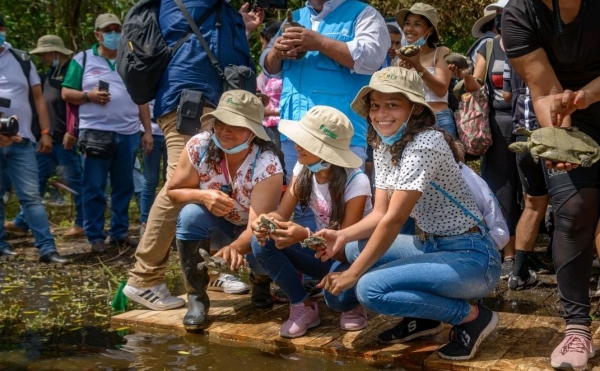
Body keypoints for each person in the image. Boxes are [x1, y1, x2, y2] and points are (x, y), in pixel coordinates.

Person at [317, 67, 501, 361]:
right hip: (429, 244)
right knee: (352, 248)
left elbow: (394, 220)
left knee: (369, 288)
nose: (381, 114)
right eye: (375, 105)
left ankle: (471, 316)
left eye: (393, 105)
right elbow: (379, 213)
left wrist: (352, 274)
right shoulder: (383, 142)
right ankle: (424, 318)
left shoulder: (426, 144)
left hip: (472, 257)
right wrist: (339, 235)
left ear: (414, 109)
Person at [124, 1, 264, 311]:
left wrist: (239, 25)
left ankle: (214, 270)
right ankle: (144, 279)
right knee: (179, 186)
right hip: (191, 100)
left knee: (209, 185)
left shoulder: (216, 10)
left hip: (203, 98)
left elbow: (205, 39)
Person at [503, 0, 600, 369]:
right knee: (574, 208)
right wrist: (561, 141)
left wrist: (586, 95)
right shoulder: (519, 13)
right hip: (565, 112)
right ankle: (577, 327)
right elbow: (543, 89)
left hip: (585, 97)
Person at [250, 105, 372, 338]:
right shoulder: (303, 168)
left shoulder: (356, 181)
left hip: (350, 257)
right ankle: (301, 305)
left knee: (338, 300)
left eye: (304, 142)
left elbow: (343, 245)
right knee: (263, 242)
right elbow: (283, 212)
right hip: (321, 252)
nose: (296, 146)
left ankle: (354, 301)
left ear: (325, 150)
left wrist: (304, 236)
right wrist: (266, 221)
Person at [167, 90, 283, 331]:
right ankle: (197, 298)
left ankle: (260, 282)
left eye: (236, 125)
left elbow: (258, 224)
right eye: (221, 122)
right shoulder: (199, 146)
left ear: (252, 131)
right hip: (216, 224)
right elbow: (174, 192)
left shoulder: (267, 163)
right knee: (189, 215)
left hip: (252, 229)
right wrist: (202, 195)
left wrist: (234, 248)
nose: (225, 130)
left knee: (262, 243)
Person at [62, 13, 153, 253]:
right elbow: (66, 93)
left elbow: (141, 97)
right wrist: (88, 96)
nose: (114, 34)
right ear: (98, 34)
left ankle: (119, 232)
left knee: (124, 186)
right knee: (95, 186)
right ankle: (94, 235)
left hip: (128, 132)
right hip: (96, 133)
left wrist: (147, 131)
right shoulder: (83, 59)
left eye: (117, 29)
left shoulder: (130, 58)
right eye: (108, 30)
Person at [450, 0, 520, 280]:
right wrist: (466, 75)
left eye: (508, 15)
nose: (503, 21)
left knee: (535, 191)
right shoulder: (488, 47)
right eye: (499, 17)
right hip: (498, 125)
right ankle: (509, 254)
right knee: (502, 189)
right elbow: (475, 86)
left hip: (531, 120)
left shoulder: (538, 43)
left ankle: (536, 251)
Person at [0, 13, 68, 263]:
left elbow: (39, 99)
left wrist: (46, 133)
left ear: (4, 29)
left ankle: (47, 249)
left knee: (31, 196)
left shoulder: (21, 59)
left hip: (23, 139)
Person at [4, 35, 85, 239]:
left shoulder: (71, 72)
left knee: (75, 181)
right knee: (35, 180)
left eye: (45, 55)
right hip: (47, 139)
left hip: (65, 139)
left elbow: (73, 105)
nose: (43, 59)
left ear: (54, 53)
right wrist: (43, 133)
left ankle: (82, 223)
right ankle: (23, 222)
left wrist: (72, 130)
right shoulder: (49, 73)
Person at [502, 58, 550, 290]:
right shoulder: (553, 44)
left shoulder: (513, 52)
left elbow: (507, 94)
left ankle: (518, 274)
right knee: (575, 206)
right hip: (551, 132)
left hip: (522, 132)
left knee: (533, 204)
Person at [395, 3, 457, 138]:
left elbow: (441, 90)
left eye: (417, 24)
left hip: (438, 119)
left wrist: (417, 66)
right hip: (410, 122)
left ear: (430, 30)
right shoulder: (399, 60)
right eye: (407, 23)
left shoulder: (441, 52)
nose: (410, 29)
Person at [139, 100, 167, 237]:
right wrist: (147, 132)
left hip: (172, 132)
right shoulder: (148, 80)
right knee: (150, 180)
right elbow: (142, 104)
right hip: (151, 133)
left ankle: (167, 223)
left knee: (170, 180)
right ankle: (145, 222)